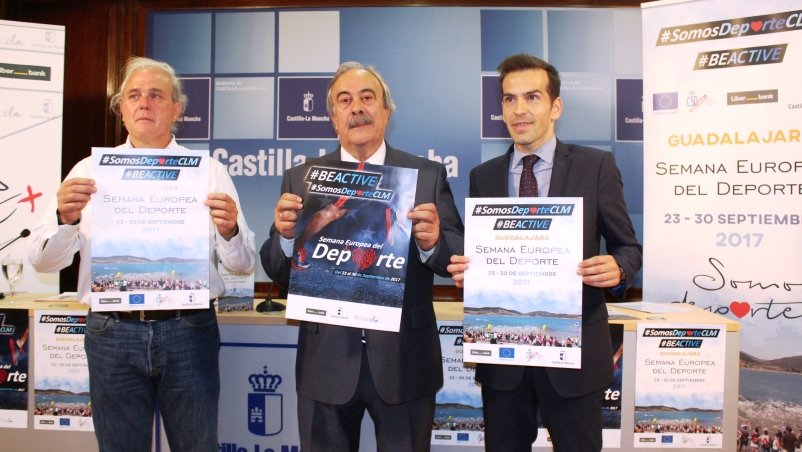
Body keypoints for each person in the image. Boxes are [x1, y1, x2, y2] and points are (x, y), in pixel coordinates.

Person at [28, 56, 255, 452]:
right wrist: (66, 219)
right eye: (133, 96)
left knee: (197, 446)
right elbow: (43, 261)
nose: (144, 103)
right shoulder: (87, 171)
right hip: (112, 333)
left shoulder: (208, 172)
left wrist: (229, 231)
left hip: (188, 330)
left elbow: (242, 264)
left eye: (156, 95)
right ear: (122, 109)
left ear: (177, 109)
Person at [260, 61, 464, 451]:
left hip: (405, 362)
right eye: (345, 100)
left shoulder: (425, 175)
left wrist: (433, 242)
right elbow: (277, 269)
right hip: (326, 363)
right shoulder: (302, 179)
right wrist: (287, 239)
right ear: (333, 118)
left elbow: (454, 255)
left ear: (386, 111)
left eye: (367, 98)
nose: (357, 108)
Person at [447, 54, 642, 451]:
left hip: (574, 356)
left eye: (532, 97)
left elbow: (628, 247)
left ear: (555, 107)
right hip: (504, 359)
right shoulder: (484, 176)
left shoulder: (596, 166)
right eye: (509, 99)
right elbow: (484, 253)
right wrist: (471, 272)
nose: (519, 109)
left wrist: (619, 268)